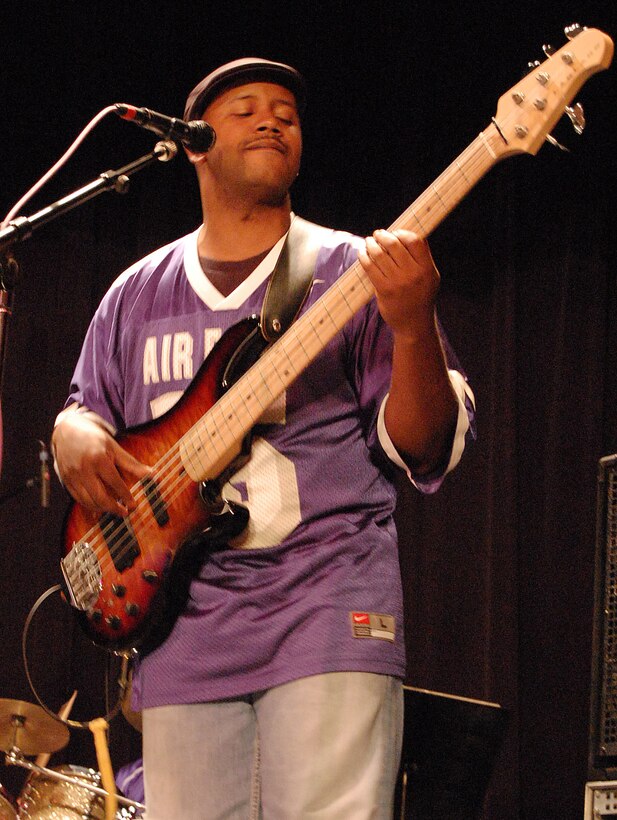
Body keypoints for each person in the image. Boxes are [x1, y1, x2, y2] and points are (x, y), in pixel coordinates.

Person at [52, 57, 475, 819]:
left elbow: (420, 446)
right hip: (183, 631)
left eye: (285, 110)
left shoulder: (348, 268)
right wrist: (68, 431)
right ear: (194, 143)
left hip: (324, 606)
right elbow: (88, 410)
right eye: (243, 108)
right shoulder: (135, 292)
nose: (272, 119)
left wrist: (411, 325)